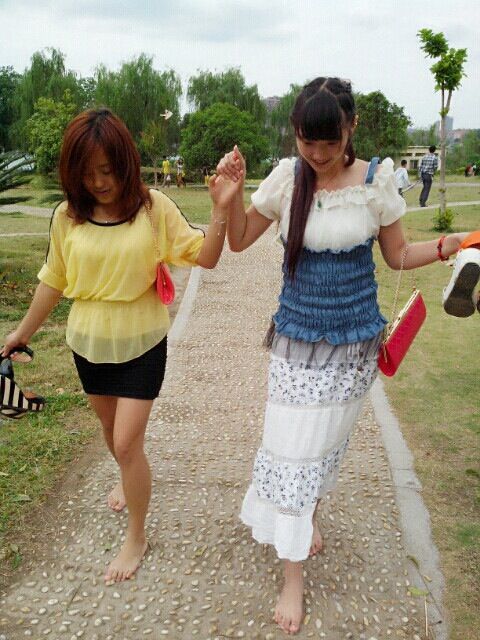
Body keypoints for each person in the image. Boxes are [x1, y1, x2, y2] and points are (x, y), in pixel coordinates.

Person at [213, 77, 470, 636]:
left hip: (354, 348)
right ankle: (292, 576)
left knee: (323, 450)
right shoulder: (287, 178)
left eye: (330, 142)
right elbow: (238, 239)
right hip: (296, 344)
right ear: (296, 134)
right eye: (308, 141)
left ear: (351, 129)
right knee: (292, 452)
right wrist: (226, 204)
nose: (319, 153)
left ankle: (306, 519)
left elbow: (397, 255)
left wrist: (447, 245)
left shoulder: (376, 183)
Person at [1, 108, 230, 584]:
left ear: (125, 164)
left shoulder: (153, 208)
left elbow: (205, 256)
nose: (99, 182)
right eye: (87, 173)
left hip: (142, 342)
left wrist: (221, 209)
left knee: (126, 441)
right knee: (112, 434)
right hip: (87, 344)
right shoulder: (67, 216)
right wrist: (21, 332)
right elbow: (53, 279)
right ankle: (128, 475)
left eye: (107, 170)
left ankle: (137, 535)